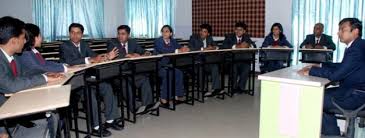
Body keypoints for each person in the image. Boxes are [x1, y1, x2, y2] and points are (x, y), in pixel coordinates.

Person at [298, 18, 365, 136]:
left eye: (342, 30)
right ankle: (332, 132)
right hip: (355, 90)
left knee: (315, 98)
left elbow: (336, 76)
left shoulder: (356, 49)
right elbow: (344, 66)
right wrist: (321, 64)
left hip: (356, 95)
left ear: (355, 31)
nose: (338, 33)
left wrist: (311, 71)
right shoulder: (358, 45)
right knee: (318, 94)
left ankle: (331, 134)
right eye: (339, 30)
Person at [0, 16, 64, 138]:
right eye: (23, 38)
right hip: (5, 115)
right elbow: (11, 85)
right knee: (49, 118)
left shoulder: (14, 57)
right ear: (13, 41)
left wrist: (45, 74)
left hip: (17, 104)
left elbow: (25, 73)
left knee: (54, 115)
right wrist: (44, 79)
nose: (25, 41)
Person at [59, 23, 122, 137]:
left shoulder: (84, 44)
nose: (75, 35)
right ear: (69, 34)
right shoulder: (65, 46)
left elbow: (94, 56)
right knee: (90, 95)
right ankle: (96, 127)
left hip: (87, 78)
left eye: (78, 33)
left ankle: (110, 120)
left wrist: (107, 56)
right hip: (74, 82)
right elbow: (71, 61)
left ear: (82, 34)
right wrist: (91, 59)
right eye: (72, 32)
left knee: (107, 87)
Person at [106, 25, 159, 114]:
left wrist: (146, 53)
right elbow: (116, 56)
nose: (120, 36)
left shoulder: (132, 42)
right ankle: (134, 108)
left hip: (131, 71)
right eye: (118, 34)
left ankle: (147, 105)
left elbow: (142, 51)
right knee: (125, 83)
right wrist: (129, 55)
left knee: (144, 79)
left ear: (128, 35)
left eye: (123, 34)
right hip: (118, 73)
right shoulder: (112, 43)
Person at [154, 25, 189, 107]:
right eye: (163, 31)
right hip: (159, 66)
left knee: (179, 73)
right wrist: (178, 50)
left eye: (166, 31)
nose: (164, 33)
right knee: (168, 74)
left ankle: (177, 96)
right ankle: (163, 98)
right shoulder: (158, 41)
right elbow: (164, 50)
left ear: (171, 33)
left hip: (169, 65)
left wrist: (185, 48)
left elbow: (179, 47)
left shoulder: (172, 41)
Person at [188, 23, 223, 97]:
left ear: (208, 33)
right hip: (196, 61)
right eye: (201, 31)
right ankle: (203, 89)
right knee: (201, 67)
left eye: (204, 31)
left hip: (207, 61)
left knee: (215, 66)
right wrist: (204, 49)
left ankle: (216, 89)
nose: (201, 33)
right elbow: (190, 49)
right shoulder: (193, 37)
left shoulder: (209, 38)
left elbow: (216, 46)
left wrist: (213, 48)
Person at [222, 21, 256, 94]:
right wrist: (236, 46)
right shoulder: (229, 37)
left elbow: (254, 46)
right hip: (231, 60)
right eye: (236, 29)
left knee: (247, 67)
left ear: (244, 31)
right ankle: (233, 87)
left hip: (243, 60)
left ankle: (240, 88)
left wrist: (249, 46)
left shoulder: (246, 37)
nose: (238, 31)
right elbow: (224, 46)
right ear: (234, 30)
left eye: (240, 30)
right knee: (234, 68)